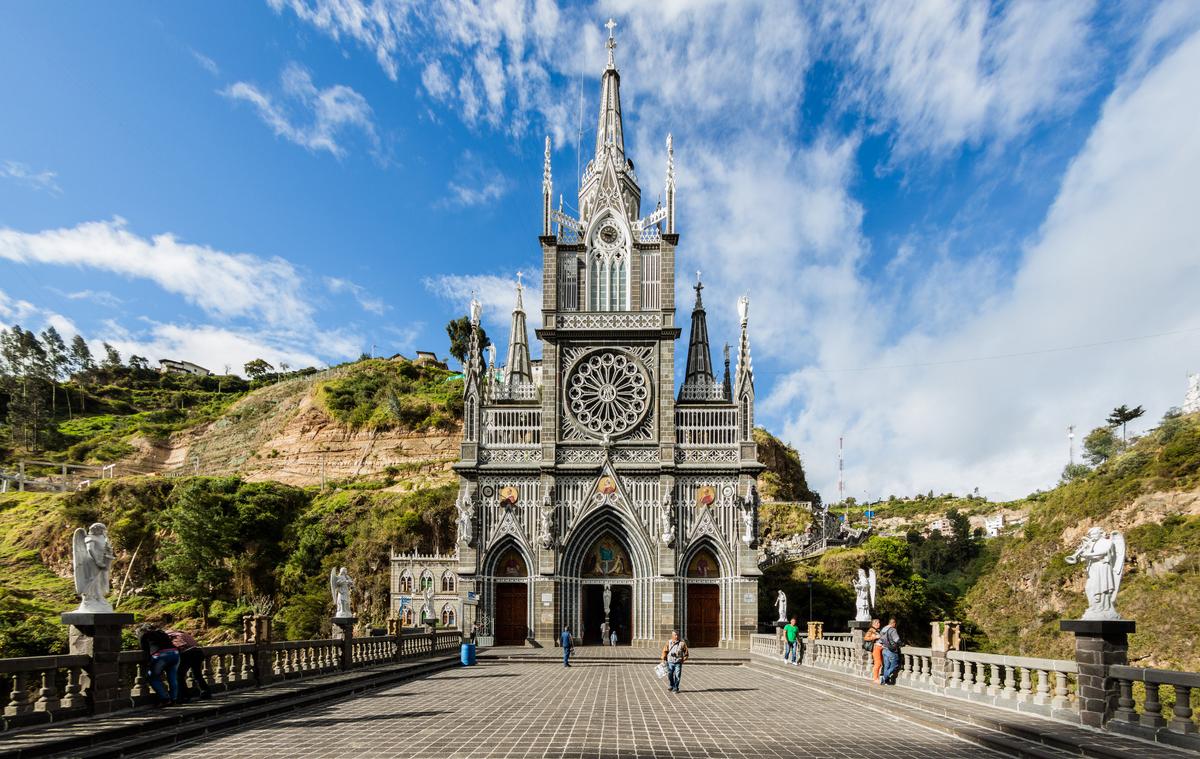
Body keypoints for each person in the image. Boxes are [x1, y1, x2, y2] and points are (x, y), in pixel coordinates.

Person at [137, 624, 180, 706]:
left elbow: (143, 648)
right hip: (175, 653)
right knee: (173, 678)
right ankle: (174, 699)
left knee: (152, 677)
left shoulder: (144, 634)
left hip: (161, 655)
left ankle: (165, 699)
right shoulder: (162, 633)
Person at [165, 628, 212, 702]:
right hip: (198, 652)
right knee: (197, 674)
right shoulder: (184, 634)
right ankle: (205, 692)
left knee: (179, 675)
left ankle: (184, 696)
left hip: (187, 653)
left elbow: (180, 645)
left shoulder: (171, 636)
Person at [880, 618, 902, 685]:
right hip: (891, 650)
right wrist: (901, 644)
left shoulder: (883, 630)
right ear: (893, 623)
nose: (895, 625)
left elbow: (881, 639)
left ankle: (885, 680)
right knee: (895, 665)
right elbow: (896, 639)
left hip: (884, 649)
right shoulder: (892, 630)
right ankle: (884, 677)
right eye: (895, 623)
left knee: (886, 666)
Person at [864, 618, 883, 684]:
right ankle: (875, 678)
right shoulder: (871, 630)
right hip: (875, 648)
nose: (879, 624)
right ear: (873, 624)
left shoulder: (878, 630)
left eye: (879, 622)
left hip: (881, 647)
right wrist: (875, 637)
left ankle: (879, 677)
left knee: (881, 663)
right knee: (878, 663)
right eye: (877, 623)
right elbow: (866, 638)